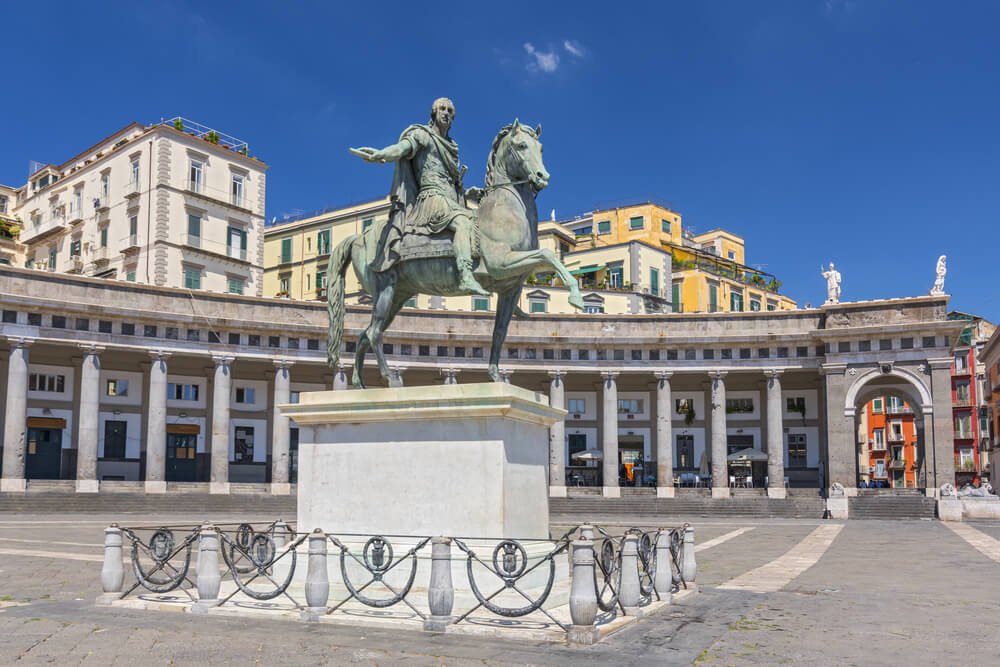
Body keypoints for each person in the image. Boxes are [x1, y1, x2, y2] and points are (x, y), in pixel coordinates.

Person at [351, 97, 489, 296]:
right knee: (462, 223)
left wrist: (467, 193)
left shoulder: (452, 146)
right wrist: (381, 154)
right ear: (433, 112)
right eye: (442, 109)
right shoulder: (422, 135)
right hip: (431, 199)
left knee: (480, 223)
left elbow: (449, 183)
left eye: (450, 111)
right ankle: (466, 275)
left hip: (450, 200)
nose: (446, 114)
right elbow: (401, 149)